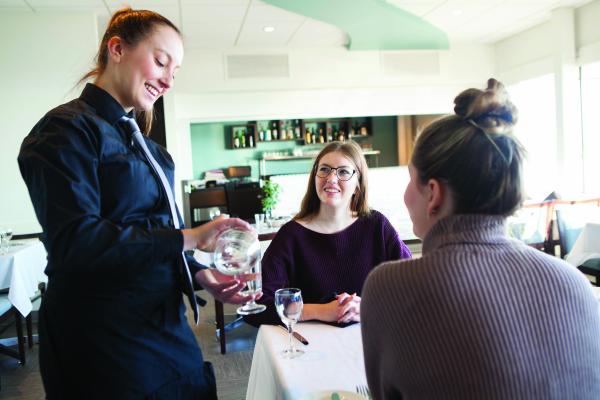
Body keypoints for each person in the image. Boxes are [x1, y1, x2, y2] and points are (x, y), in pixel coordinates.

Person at [18, 8, 258, 399]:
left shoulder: (153, 152)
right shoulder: (63, 131)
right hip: (102, 336)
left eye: (175, 71)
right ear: (116, 48)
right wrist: (191, 238)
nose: (167, 79)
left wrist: (199, 273)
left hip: (164, 326)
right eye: (161, 61)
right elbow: (77, 241)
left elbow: (158, 229)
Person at [361, 79, 600, 399]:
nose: (406, 194)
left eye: (410, 179)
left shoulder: (390, 286)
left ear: (433, 194)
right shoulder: (574, 282)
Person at [245, 141, 411, 327]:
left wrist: (366, 307)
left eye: (343, 172)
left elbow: (414, 285)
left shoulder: (377, 225)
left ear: (358, 183)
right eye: (324, 169)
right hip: (311, 347)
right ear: (315, 176)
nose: (331, 178)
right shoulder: (291, 235)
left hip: (371, 342)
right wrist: (321, 310)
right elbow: (254, 307)